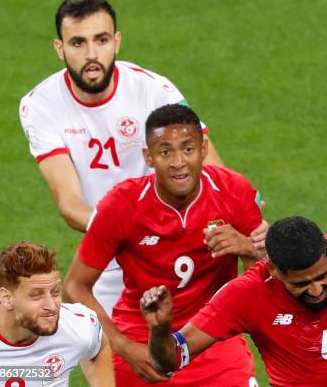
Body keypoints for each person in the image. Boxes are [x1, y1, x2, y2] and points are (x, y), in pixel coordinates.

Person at [17, 0, 266, 316]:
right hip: (111, 254)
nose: (92, 54)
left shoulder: (154, 90)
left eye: (101, 40)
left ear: (117, 41)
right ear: (59, 48)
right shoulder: (40, 105)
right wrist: (134, 234)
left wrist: (253, 225)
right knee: (113, 356)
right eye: (78, 43)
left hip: (183, 242)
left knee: (203, 350)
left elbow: (215, 171)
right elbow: (69, 204)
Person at [63, 104, 263, 385]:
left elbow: (266, 280)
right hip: (141, 342)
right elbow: (74, 286)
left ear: (204, 149)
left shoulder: (234, 191)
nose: (178, 161)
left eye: (188, 149)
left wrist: (248, 249)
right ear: (149, 156)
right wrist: (123, 347)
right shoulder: (121, 205)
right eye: (166, 151)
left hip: (213, 341)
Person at [141, 216, 327, 387]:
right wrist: (160, 330)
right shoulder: (245, 294)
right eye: (300, 284)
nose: (316, 290)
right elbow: (169, 361)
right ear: (272, 270)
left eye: (323, 276)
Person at [0, 242, 113, 386]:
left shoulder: (76, 326)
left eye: (55, 292)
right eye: (36, 295)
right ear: (7, 298)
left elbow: (99, 348)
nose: (52, 306)